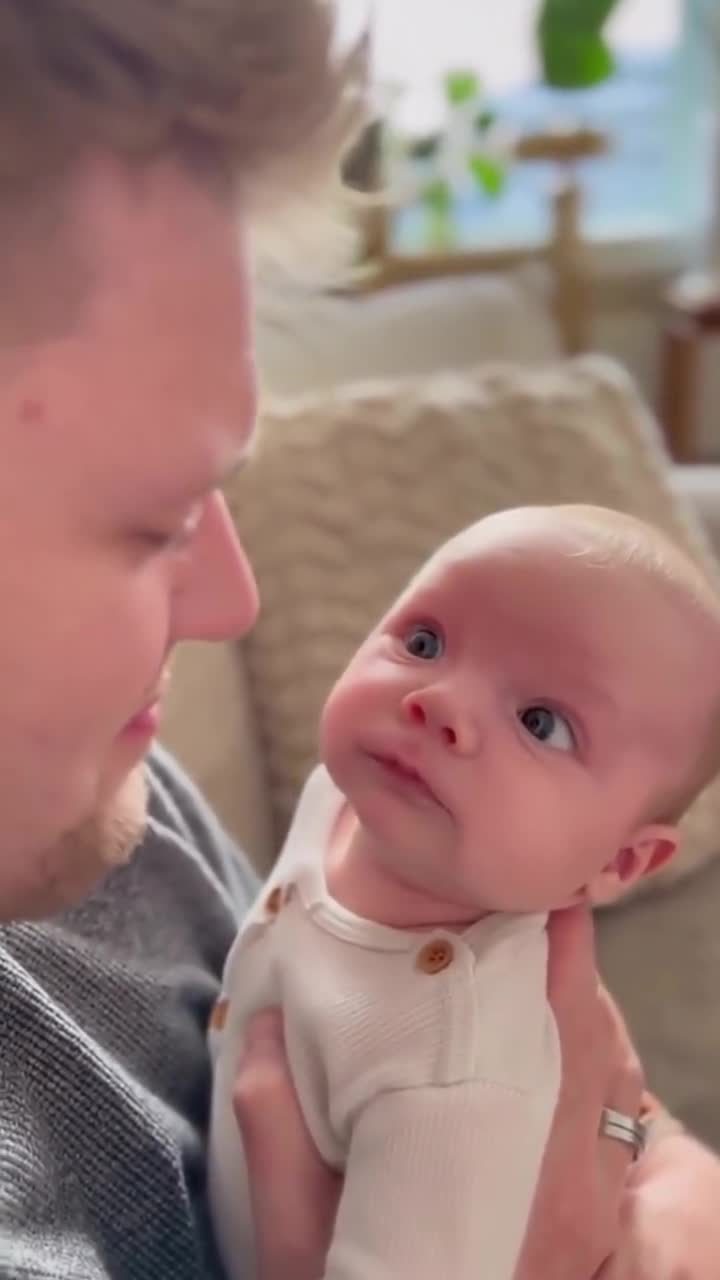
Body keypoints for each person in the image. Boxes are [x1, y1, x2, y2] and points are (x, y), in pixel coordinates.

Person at [0, 3, 715, 1279]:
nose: (233, 599)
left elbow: (613, 1112)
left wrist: (657, 1166)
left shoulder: (100, 784)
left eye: (540, 719)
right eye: (153, 522)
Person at [208, 504, 720, 1280]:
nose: (438, 702)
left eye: (542, 723)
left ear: (621, 861)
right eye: (424, 643)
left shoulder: (459, 1071)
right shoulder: (343, 798)